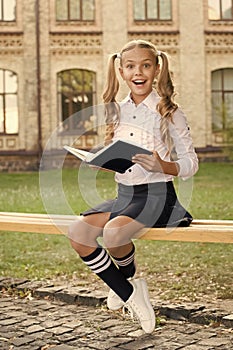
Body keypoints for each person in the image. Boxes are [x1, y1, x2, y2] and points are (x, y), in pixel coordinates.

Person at [68, 40, 199, 334]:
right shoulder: (117, 111)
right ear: (121, 71)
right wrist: (101, 161)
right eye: (130, 66)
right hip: (125, 196)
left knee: (114, 232)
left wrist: (163, 166)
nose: (138, 72)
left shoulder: (170, 112)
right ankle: (130, 290)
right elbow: (121, 158)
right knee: (78, 232)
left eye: (145, 65)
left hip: (158, 196)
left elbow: (192, 162)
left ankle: (127, 290)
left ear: (156, 69)